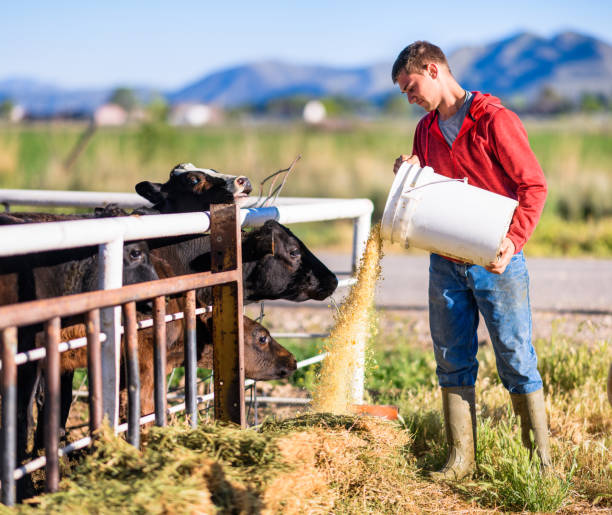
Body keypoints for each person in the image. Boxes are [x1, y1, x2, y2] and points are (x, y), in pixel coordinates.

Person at [391, 41, 550, 480]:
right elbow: (429, 186)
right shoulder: (425, 131)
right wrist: (409, 171)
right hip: (444, 262)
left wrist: (514, 241)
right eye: (404, 92)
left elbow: (533, 186)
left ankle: (540, 464)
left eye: (411, 86)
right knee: (451, 358)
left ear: (433, 68)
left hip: (496, 259)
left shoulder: (495, 120)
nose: (409, 97)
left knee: (516, 358)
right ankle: (461, 461)